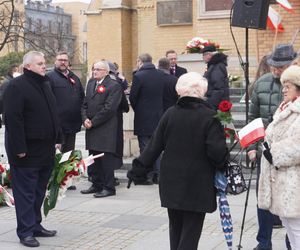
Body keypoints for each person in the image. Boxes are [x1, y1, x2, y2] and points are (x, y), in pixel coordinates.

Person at [127, 72, 228, 250]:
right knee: (191, 231)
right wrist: (223, 162)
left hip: (171, 181)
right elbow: (217, 153)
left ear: (180, 90)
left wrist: (138, 169)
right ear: (202, 91)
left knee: (176, 229)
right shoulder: (210, 116)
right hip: (198, 182)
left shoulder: (170, 114)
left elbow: (153, 147)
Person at [3, 51, 61, 247]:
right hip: (26, 151)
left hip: (45, 149)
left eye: (44, 63)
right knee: (26, 193)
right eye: (40, 63)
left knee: (38, 191)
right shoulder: (16, 87)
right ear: (28, 66)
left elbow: (53, 113)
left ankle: (35, 225)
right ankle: (25, 232)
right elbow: (13, 119)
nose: (45, 66)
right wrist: (19, 148)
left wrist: (58, 138)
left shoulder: (44, 84)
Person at [248, 44, 298, 250]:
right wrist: (252, 146)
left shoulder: (297, 81)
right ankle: (264, 242)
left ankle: (291, 243)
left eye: (282, 66)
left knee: (292, 210)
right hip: (266, 152)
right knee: (265, 199)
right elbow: (253, 117)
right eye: (274, 66)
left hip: (289, 160)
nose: (277, 70)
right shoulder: (262, 84)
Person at [80, 60, 122, 198]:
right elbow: (85, 103)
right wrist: (85, 118)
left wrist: (93, 121)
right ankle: (96, 183)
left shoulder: (114, 86)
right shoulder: (91, 83)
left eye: (98, 69)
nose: (94, 71)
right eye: (94, 69)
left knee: (105, 159)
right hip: (91, 127)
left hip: (105, 128)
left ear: (106, 71)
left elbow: (109, 109)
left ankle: (109, 187)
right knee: (93, 158)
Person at [47, 51, 85, 190]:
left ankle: (66, 180)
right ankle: (54, 181)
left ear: (69, 62)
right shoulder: (50, 77)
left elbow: (81, 97)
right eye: (60, 59)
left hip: (72, 123)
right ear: (55, 61)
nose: (63, 62)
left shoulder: (74, 77)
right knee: (57, 153)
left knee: (69, 153)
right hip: (57, 124)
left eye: (65, 60)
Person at [129, 53, 165, 184]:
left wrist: (138, 109)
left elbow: (133, 97)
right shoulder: (161, 75)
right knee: (158, 147)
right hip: (159, 116)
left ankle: (148, 175)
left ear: (140, 62)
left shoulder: (138, 76)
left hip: (143, 117)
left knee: (145, 147)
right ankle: (159, 174)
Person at [201, 45, 230, 110]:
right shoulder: (214, 65)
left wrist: (210, 103)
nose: (203, 58)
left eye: (204, 55)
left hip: (217, 105)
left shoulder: (217, 67)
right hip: (217, 103)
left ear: (209, 55)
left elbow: (218, 88)